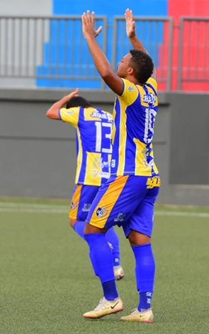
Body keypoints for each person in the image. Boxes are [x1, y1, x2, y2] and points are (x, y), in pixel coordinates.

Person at [80, 9, 160, 323]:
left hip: (131, 175)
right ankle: (145, 308)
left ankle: (111, 298)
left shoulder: (131, 93)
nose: (120, 60)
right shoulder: (151, 89)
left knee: (92, 229)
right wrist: (132, 38)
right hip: (151, 177)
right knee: (140, 242)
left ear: (129, 71)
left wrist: (89, 38)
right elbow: (147, 63)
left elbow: (106, 75)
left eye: (124, 58)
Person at [45, 89, 125, 279]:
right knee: (103, 221)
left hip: (89, 177)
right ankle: (116, 265)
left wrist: (66, 98)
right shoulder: (107, 116)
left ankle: (103, 247)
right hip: (110, 176)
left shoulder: (79, 112)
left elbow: (51, 112)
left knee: (76, 221)